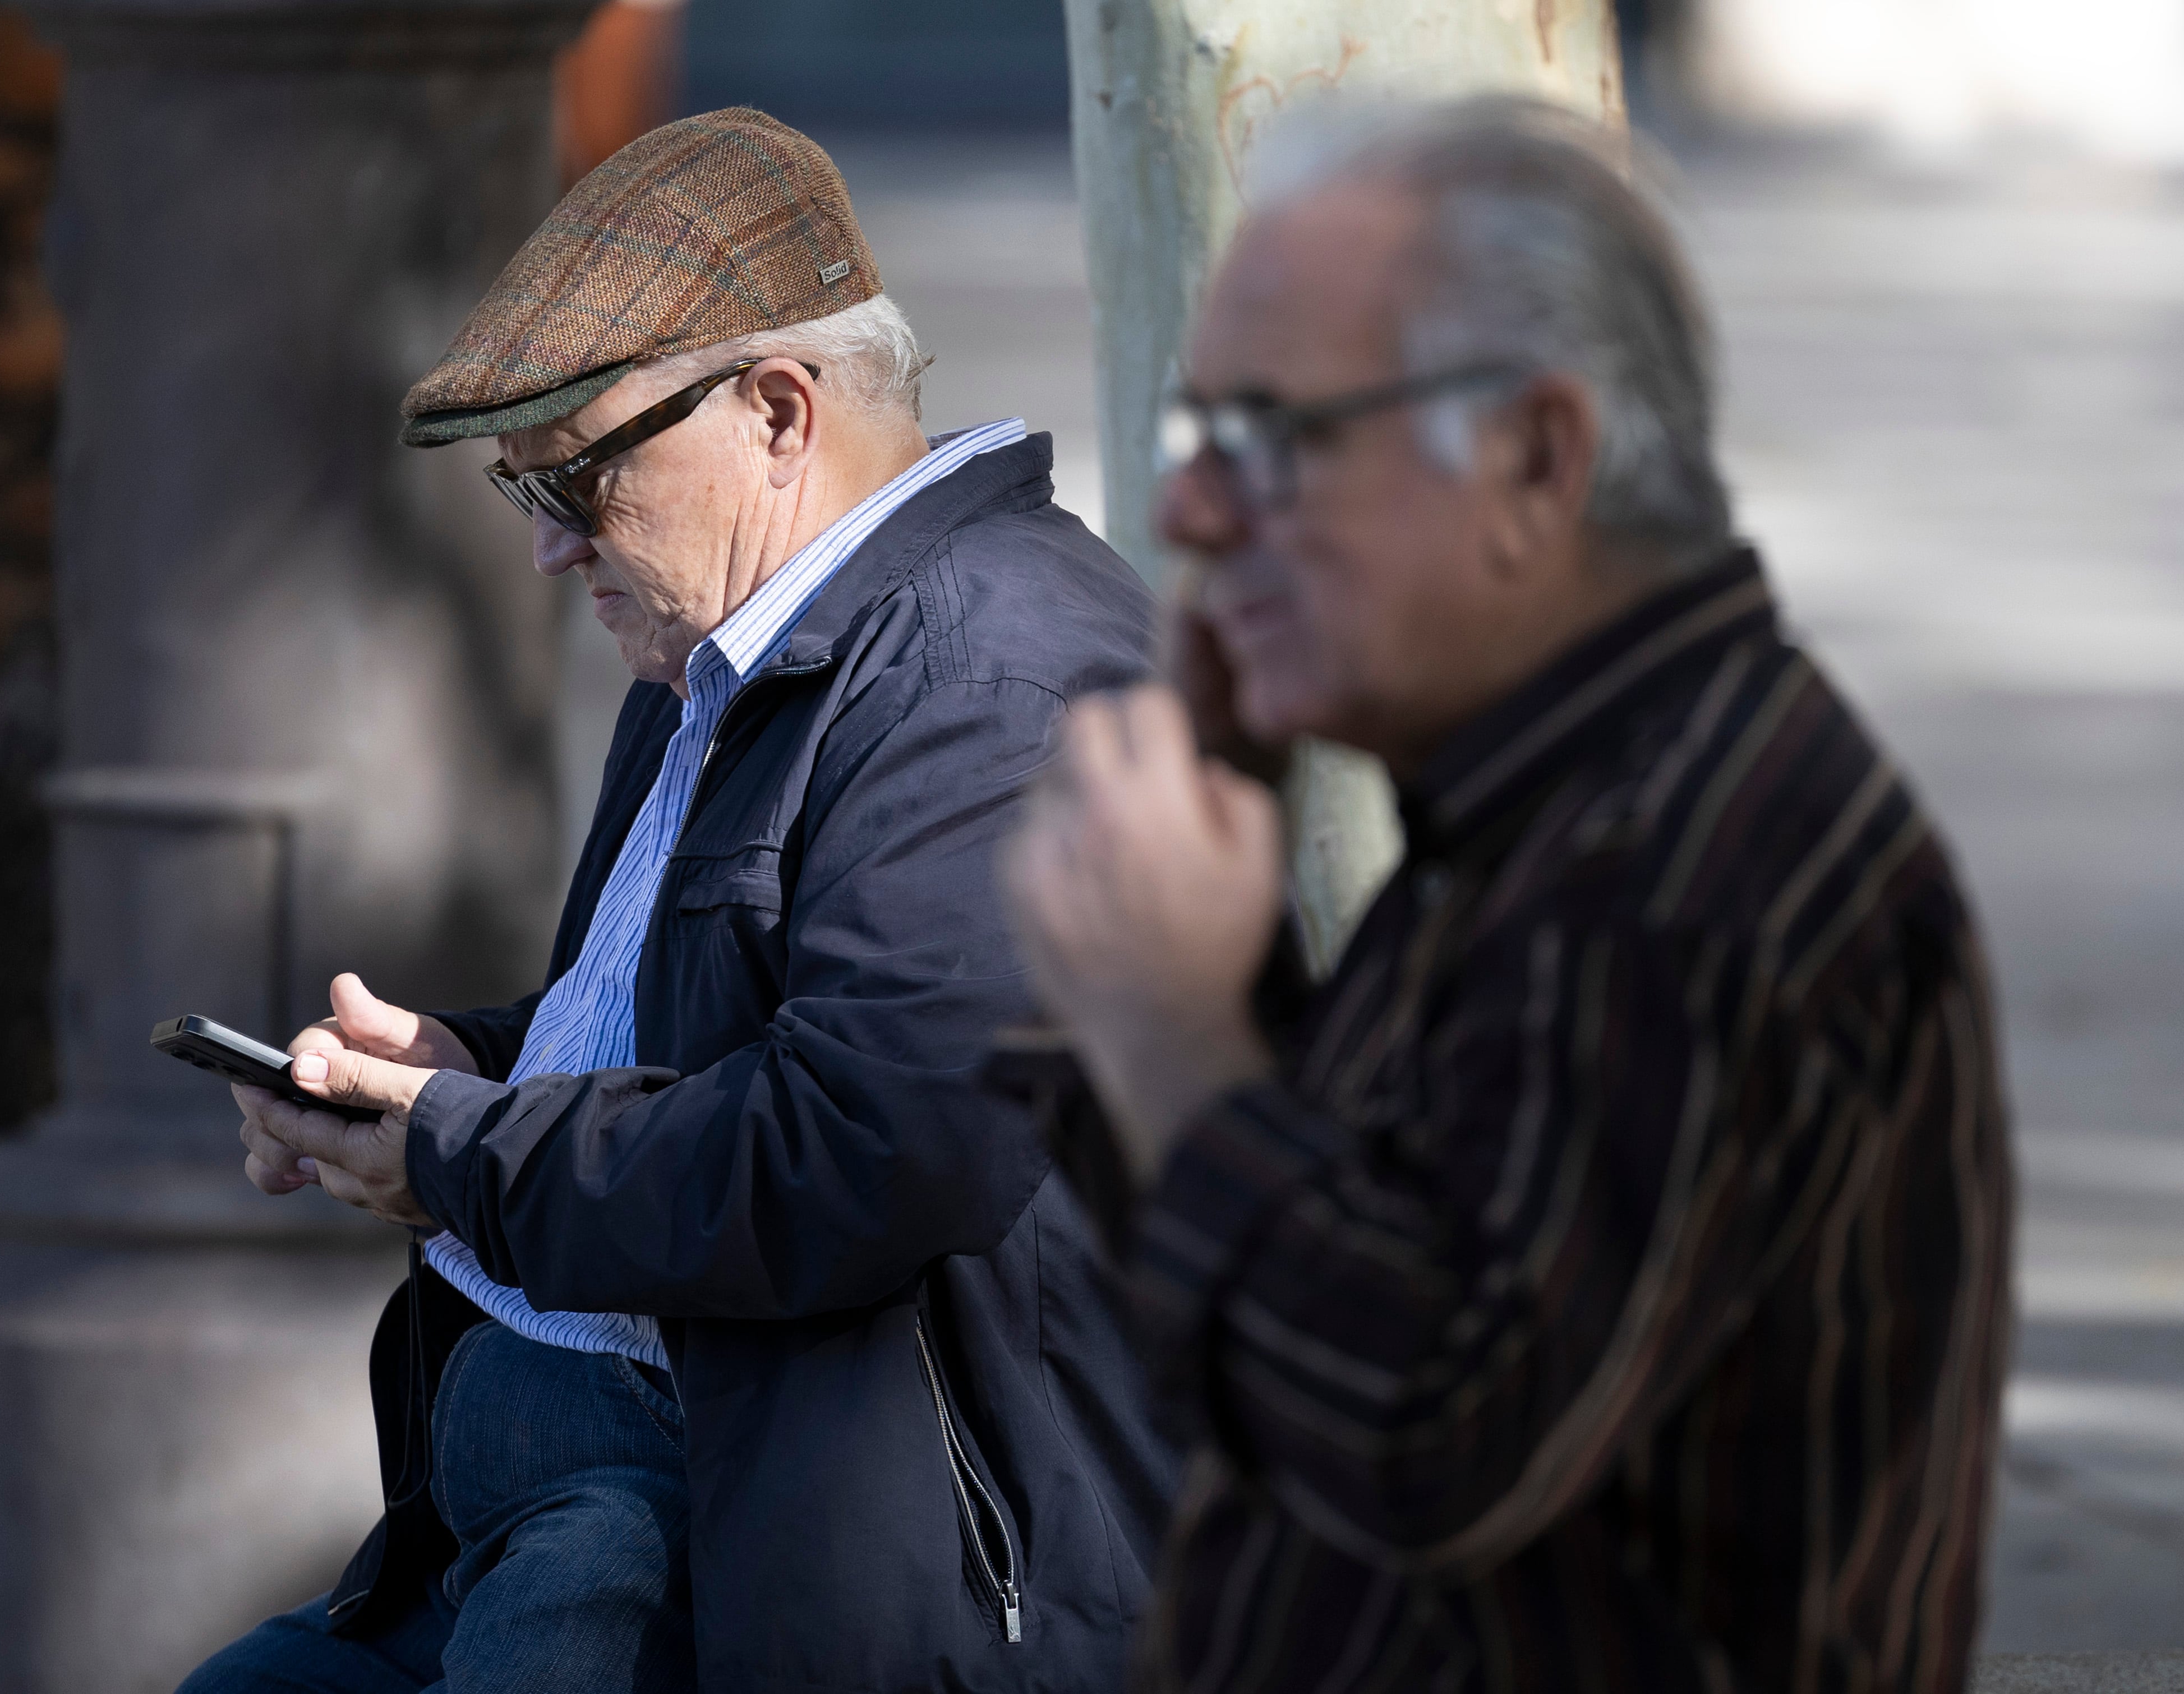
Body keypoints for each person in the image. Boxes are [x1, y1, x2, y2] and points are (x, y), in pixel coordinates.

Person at [1000, 98, 2014, 1693]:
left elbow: (1425, 1433)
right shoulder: (1540, 801)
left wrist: (1173, 1034)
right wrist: (1196, 960)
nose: (1191, 518)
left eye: (1269, 439)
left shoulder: (1674, 860)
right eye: (1196, 446)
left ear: (1536, 457)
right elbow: (1263, 1358)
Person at [180, 109, 1172, 1694]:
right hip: (567, 1485)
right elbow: (711, 1027)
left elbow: (858, 1150)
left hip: (788, 1544)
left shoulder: (997, 681)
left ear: (779, 411)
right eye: (524, 494)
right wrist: (460, 1066)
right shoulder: (725, 641)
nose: (548, 554)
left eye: (576, 479)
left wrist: (457, 1151)